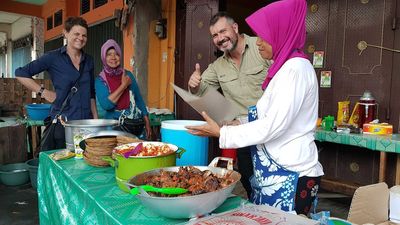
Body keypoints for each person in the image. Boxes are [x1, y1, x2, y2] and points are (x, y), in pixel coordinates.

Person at [186, 0, 324, 215]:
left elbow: (272, 125)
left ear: (281, 33)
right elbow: (266, 114)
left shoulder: (295, 70)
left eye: (264, 35)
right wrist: (238, 122)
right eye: (215, 34)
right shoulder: (285, 68)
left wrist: (222, 132)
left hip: (291, 171)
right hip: (270, 162)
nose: (259, 42)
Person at [188, 12, 271, 199]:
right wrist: (193, 84)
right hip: (242, 135)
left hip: (271, 132)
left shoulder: (261, 47)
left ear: (235, 28)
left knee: (273, 184)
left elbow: (284, 79)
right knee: (251, 183)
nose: (219, 38)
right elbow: (199, 91)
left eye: (222, 31)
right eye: (214, 35)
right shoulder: (218, 66)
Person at [15, 16, 98, 151]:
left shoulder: (89, 60)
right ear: (65, 33)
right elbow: (20, 73)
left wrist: (95, 120)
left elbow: (91, 93)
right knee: (64, 165)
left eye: (84, 35)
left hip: (86, 125)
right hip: (63, 124)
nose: (81, 38)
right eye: (76, 34)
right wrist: (43, 92)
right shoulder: (53, 57)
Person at [95, 39, 151, 139]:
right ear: (103, 57)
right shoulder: (100, 80)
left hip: (133, 124)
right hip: (112, 127)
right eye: (109, 54)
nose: (113, 57)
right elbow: (107, 105)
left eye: (116, 54)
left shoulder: (128, 75)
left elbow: (138, 99)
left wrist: (146, 120)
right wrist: (123, 85)